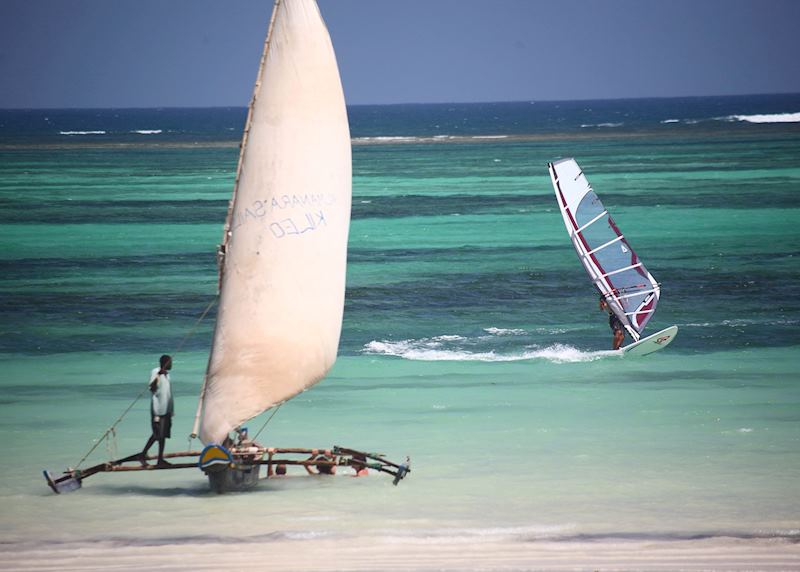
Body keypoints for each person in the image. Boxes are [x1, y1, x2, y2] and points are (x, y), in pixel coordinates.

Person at [140, 354, 174, 468]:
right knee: (157, 434)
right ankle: (143, 454)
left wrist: (171, 410)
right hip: (158, 410)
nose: (172, 364)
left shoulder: (168, 375)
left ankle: (160, 459)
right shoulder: (155, 371)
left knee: (162, 435)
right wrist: (158, 376)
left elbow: (168, 393)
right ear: (165, 363)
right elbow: (152, 387)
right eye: (170, 362)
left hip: (166, 410)